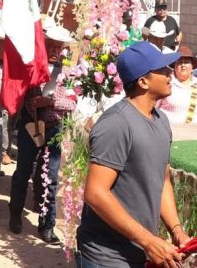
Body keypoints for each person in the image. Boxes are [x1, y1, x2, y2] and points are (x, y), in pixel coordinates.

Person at [76, 42, 190, 268]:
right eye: (162, 70)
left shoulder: (161, 120)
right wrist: (149, 242)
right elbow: (96, 193)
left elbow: (162, 179)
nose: (170, 73)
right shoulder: (116, 124)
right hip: (106, 258)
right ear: (143, 81)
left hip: (139, 253)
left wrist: (176, 230)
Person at [8, 25, 76, 243]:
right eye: (51, 46)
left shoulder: (69, 73)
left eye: (58, 46)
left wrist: (51, 101)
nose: (54, 50)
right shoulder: (32, 67)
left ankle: (47, 225)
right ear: (43, 45)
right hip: (31, 124)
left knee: (51, 177)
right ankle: (15, 214)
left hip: (54, 127)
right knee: (23, 171)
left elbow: (72, 103)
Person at [158, 46, 197, 124]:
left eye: (187, 62)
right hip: (170, 129)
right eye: (180, 62)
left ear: (192, 66)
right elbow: (154, 108)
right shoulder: (166, 83)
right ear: (174, 66)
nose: (183, 65)